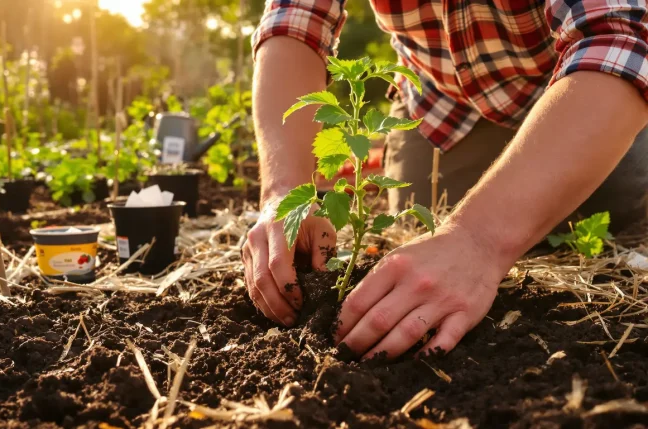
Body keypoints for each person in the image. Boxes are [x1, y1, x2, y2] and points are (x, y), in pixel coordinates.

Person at [241, 0, 648, 360]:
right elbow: (295, 19)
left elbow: (619, 40)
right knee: (421, 216)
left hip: (576, 82)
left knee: (616, 203)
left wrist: (478, 239)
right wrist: (284, 193)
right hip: (443, 103)